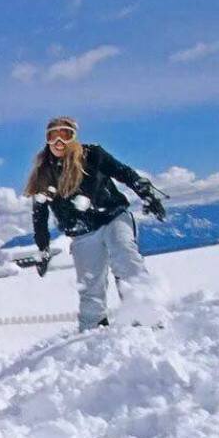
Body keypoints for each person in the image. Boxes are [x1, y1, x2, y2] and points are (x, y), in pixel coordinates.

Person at [25, 116, 167, 331]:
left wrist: (147, 194)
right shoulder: (44, 173)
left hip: (112, 216)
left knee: (125, 257)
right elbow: (40, 215)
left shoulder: (92, 155)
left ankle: (144, 315)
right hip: (81, 232)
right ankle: (93, 330)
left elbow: (124, 172)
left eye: (65, 134)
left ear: (74, 137)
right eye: (52, 136)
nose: (58, 142)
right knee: (90, 283)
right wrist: (43, 249)